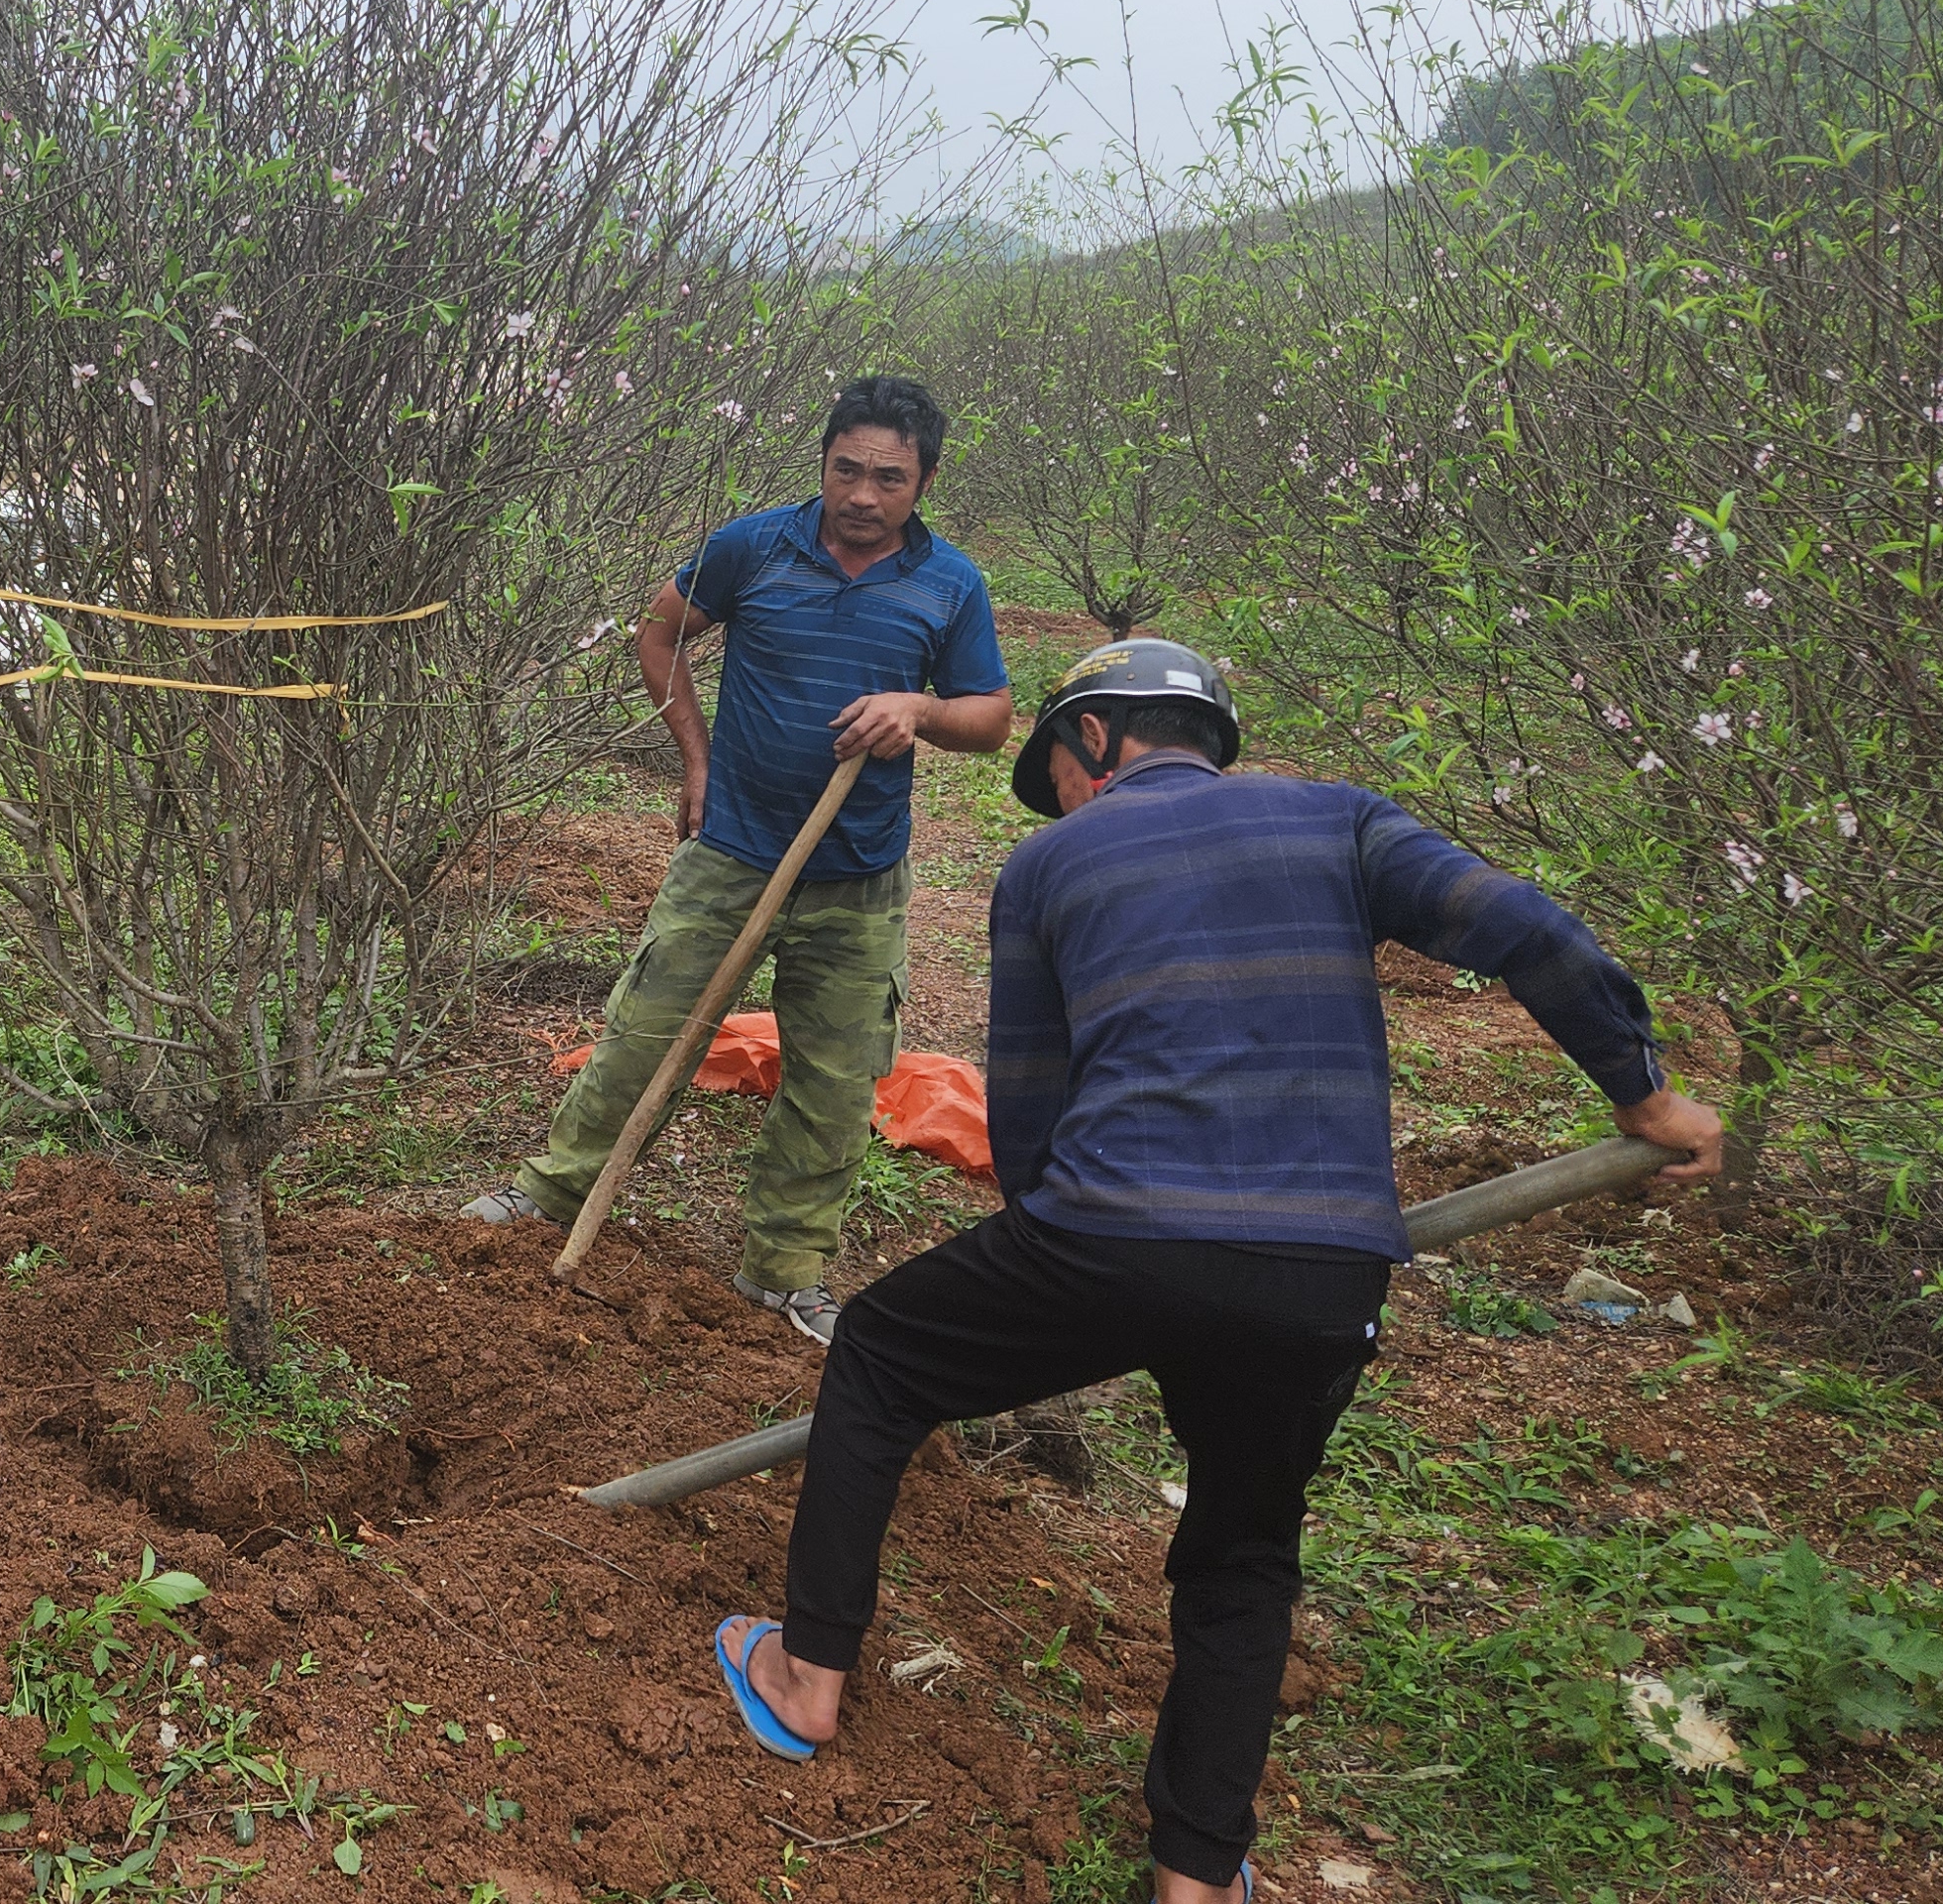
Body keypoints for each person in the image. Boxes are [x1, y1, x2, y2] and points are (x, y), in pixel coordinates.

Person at [712, 636, 1727, 1904]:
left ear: (1094, 743)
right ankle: (1196, 1877)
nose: (1063, 798)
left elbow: (1028, 1104)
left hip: (1103, 1233)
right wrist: (1645, 1093)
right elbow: (1526, 932)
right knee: (1242, 1556)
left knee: (877, 1348)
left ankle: (806, 1679)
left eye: (1058, 771)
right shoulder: (1342, 820)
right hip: (1322, 1273)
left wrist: (1068, 1273)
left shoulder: (1046, 862)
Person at [463, 375, 1015, 1342]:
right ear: (824, 460)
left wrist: (919, 710)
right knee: (646, 1033)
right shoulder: (751, 546)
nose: (860, 494)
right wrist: (695, 756)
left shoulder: (948, 585)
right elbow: (661, 627)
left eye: (888, 477)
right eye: (846, 469)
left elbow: (990, 718)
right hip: (731, 854)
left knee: (836, 1083)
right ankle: (550, 1196)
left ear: (922, 481)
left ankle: (784, 1270)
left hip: (857, 876)